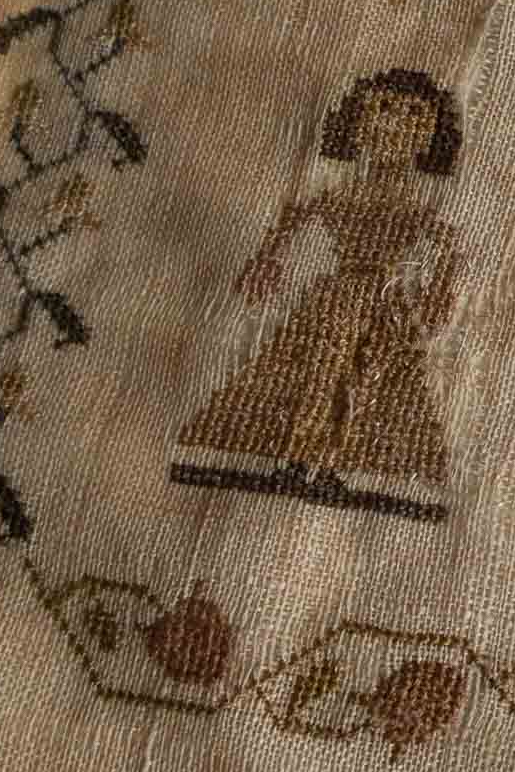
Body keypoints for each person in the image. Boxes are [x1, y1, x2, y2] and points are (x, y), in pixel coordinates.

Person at [168, 70, 466, 522]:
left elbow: (447, 247)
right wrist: (267, 260)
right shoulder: (345, 192)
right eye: (383, 109)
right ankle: (296, 458)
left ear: (430, 137)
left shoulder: (414, 206)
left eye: (413, 115)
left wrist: (441, 291)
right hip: (337, 298)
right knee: (317, 375)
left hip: (383, 302)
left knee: (368, 382)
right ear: (357, 124)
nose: (396, 124)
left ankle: (333, 463)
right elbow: (296, 217)